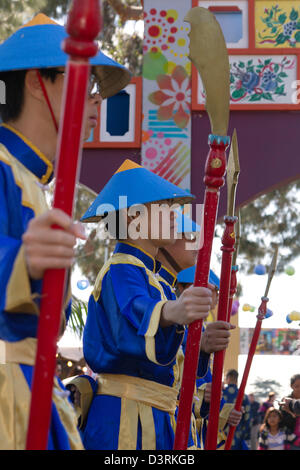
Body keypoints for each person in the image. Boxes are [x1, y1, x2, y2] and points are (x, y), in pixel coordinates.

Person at [0, 13, 130, 450]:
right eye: (87, 86)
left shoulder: (33, 181)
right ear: (39, 83)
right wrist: (20, 260)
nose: (96, 104)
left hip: (32, 387)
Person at [80, 159, 213, 450]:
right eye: (165, 208)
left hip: (151, 413)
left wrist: (199, 346)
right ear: (131, 217)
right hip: (126, 415)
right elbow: (134, 309)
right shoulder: (121, 267)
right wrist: (174, 312)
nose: (175, 218)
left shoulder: (150, 277)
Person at [174, 263, 241, 449]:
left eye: (215, 290)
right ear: (184, 289)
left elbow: (207, 389)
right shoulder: (176, 325)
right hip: (171, 421)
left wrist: (226, 414)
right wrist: (202, 394)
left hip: (194, 429)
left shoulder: (204, 330)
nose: (215, 294)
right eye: (208, 288)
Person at [222, 369, 252, 450]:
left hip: (220, 435)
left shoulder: (221, 393)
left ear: (227, 378)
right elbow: (247, 417)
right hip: (237, 433)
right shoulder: (243, 396)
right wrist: (244, 433)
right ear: (236, 379)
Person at [280, 374, 300, 449]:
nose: (299, 389)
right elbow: (282, 421)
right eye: (297, 386)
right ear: (291, 386)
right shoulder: (286, 402)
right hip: (291, 440)